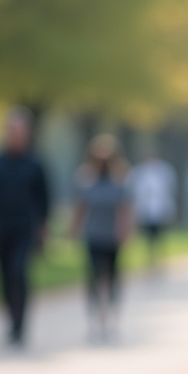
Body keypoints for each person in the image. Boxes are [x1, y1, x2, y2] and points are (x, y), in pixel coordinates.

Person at [0, 109, 51, 347]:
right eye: (12, 130)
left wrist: (43, 226)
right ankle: (11, 318)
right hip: (1, 226)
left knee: (19, 271)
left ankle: (20, 323)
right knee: (4, 275)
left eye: (20, 131)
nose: (16, 135)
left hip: (25, 226)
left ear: (27, 133)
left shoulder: (36, 164)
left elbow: (45, 198)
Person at [70, 134, 132, 341]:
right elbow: (80, 208)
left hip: (111, 237)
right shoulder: (86, 180)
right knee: (94, 277)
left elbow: (124, 210)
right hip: (93, 236)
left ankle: (111, 315)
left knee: (112, 277)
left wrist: (125, 232)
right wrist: (73, 230)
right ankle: (95, 316)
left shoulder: (119, 181)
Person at [128, 148, 177, 273]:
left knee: (159, 235)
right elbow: (133, 191)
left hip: (159, 209)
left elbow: (168, 191)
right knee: (147, 236)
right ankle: (149, 259)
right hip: (144, 209)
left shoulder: (164, 171)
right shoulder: (138, 172)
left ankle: (158, 259)